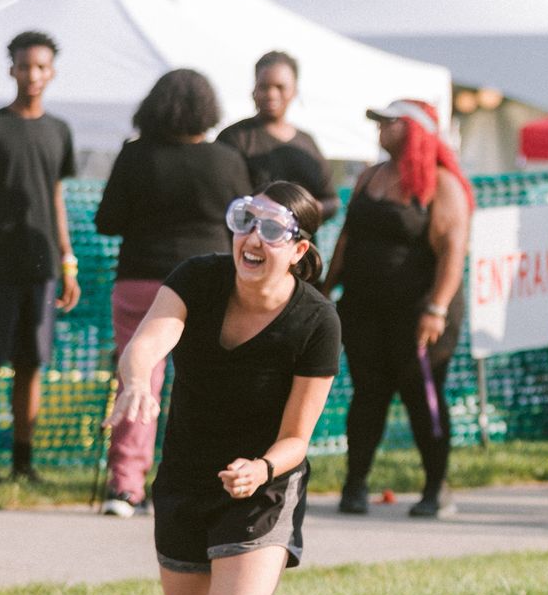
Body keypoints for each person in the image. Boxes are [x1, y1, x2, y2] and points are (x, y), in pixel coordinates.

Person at [111, 183, 339, 595]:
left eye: (273, 230)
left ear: (299, 249)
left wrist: (263, 468)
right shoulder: (198, 279)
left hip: (260, 490)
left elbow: (299, 436)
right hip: (184, 483)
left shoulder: (315, 321)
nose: (254, 239)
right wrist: (138, 376)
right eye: (246, 222)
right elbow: (151, 338)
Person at [95, 69, 252, 517]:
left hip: (141, 280)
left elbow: (107, 220)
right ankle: (205, 480)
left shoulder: (135, 157)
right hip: (207, 282)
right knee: (206, 384)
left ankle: (125, 485)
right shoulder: (226, 160)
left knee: (138, 380)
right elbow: (242, 222)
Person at [326, 99, 472, 519]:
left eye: (388, 123)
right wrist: (325, 287)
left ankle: (435, 487)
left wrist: (437, 309)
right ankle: (354, 485)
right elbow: (347, 239)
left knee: (421, 398)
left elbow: (452, 253)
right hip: (364, 310)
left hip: (420, 315)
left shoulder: (441, 184)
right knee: (367, 395)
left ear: (413, 130)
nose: (379, 130)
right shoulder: (371, 177)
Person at [0, 30, 79, 483]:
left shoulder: (59, 131)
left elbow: (57, 197)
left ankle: (24, 463)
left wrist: (68, 259)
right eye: (25, 65)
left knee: (32, 365)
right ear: (11, 68)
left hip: (42, 266)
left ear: (52, 72)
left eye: (41, 66)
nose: (33, 74)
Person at [216, 52, 340, 222]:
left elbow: (331, 201)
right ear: (254, 90)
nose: (271, 94)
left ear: (294, 91)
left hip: (297, 245)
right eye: (264, 87)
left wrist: (305, 211)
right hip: (250, 242)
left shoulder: (307, 143)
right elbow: (220, 199)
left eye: (280, 87)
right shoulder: (234, 138)